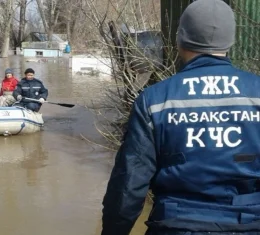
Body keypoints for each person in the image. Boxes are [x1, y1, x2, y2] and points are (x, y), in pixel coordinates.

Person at [101, 0, 260, 235]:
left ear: (180, 39)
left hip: (175, 226)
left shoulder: (154, 99)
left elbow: (129, 183)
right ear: (231, 41)